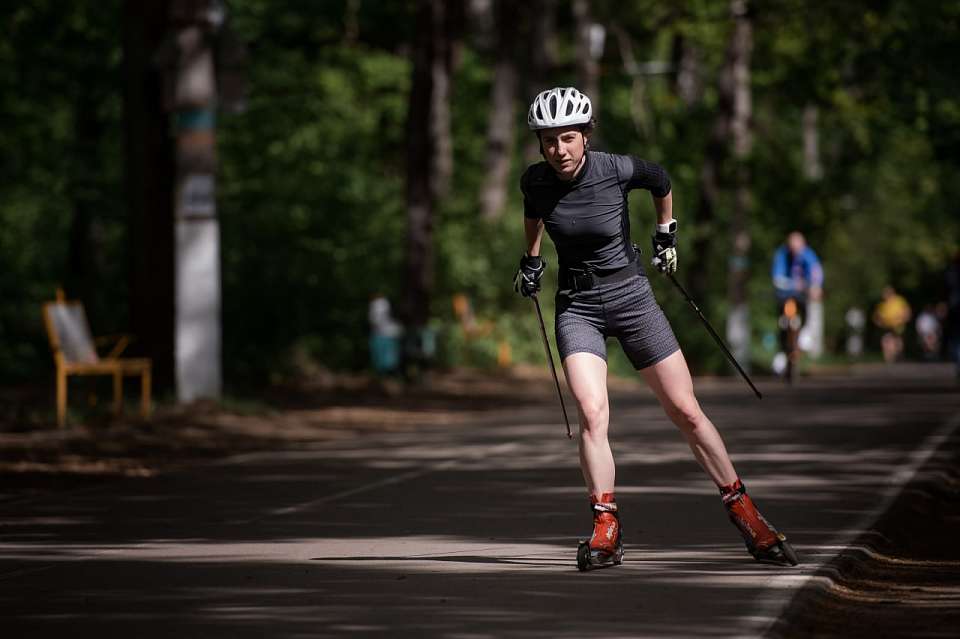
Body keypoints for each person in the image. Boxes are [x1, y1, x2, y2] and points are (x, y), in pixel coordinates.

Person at [513, 87, 798, 569]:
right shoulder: (535, 180)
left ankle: (745, 512)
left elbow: (661, 179)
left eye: (568, 137)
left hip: (632, 298)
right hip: (577, 306)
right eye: (548, 140)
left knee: (686, 410)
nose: (558, 149)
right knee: (592, 412)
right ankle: (606, 527)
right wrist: (531, 259)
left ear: (585, 136)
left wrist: (666, 232)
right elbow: (533, 213)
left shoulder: (616, 169)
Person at [770, 232, 823, 373]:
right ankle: (781, 352)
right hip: (785, 294)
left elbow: (816, 271)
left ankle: (805, 332)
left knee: (807, 310)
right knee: (782, 322)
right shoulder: (782, 255)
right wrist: (793, 284)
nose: (796, 251)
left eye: (798, 248)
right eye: (793, 248)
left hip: (801, 294)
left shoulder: (808, 254)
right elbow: (777, 278)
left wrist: (816, 286)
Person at [872, 286, 912, 363]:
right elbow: (876, 316)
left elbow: (907, 311)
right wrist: (879, 322)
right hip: (887, 327)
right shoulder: (883, 304)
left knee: (897, 342)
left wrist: (904, 318)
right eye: (884, 293)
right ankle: (889, 360)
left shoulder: (899, 300)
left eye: (887, 293)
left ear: (892, 293)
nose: (885, 295)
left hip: (898, 325)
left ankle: (899, 356)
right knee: (886, 342)